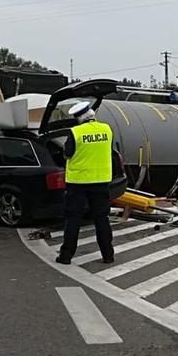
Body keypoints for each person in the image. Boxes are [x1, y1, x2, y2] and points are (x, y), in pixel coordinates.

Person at [56, 101, 115, 265]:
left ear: (79, 118)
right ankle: (108, 255)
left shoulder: (76, 132)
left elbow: (67, 155)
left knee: (73, 218)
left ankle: (66, 255)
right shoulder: (107, 129)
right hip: (101, 181)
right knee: (101, 218)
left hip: (78, 183)